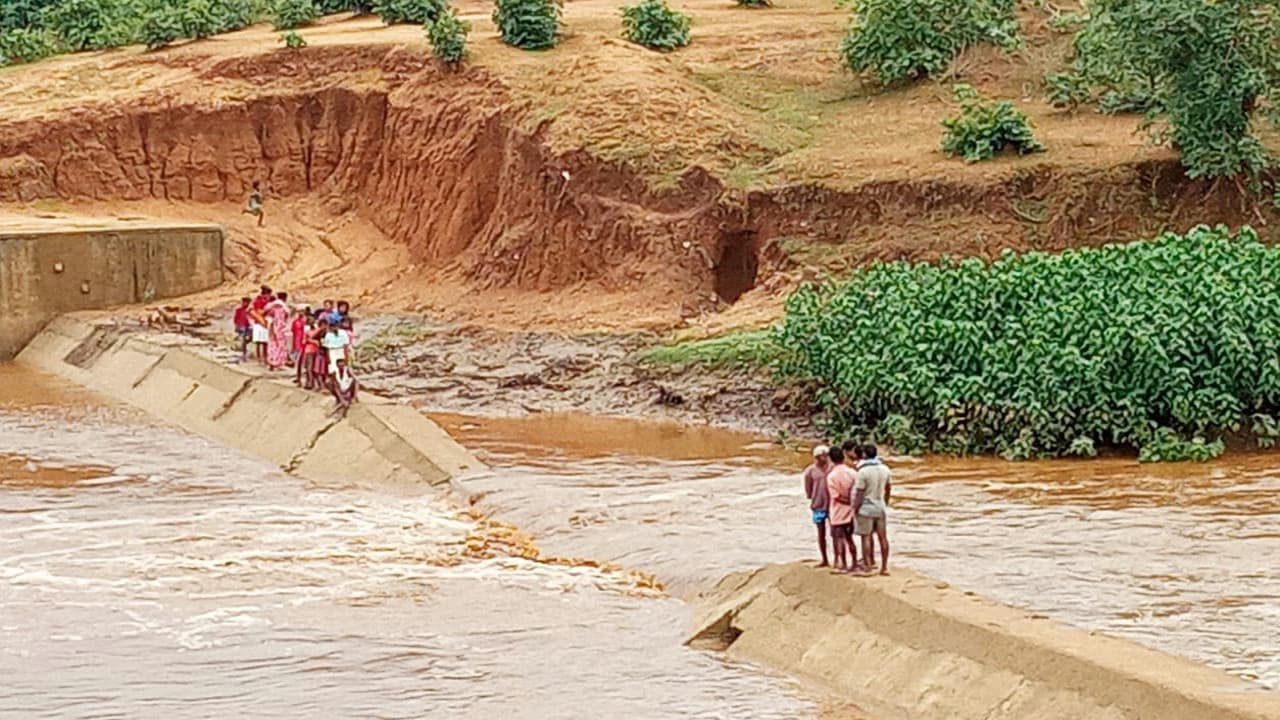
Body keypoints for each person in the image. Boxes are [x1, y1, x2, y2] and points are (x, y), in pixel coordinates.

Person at [853, 443, 892, 576]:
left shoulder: (862, 472)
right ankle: (884, 567)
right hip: (880, 506)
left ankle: (868, 566)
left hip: (866, 507)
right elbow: (888, 489)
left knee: (866, 537)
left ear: (864, 455)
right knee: (883, 538)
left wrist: (855, 508)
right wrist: (885, 502)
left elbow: (859, 493)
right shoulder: (885, 469)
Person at [825, 446, 858, 572]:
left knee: (839, 539)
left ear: (831, 460)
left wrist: (846, 501)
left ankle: (843, 564)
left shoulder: (831, 477)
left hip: (837, 512)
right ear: (843, 457)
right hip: (851, 511)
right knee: (850, 539)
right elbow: (857, 491)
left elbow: (836, 496)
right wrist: (852, 503)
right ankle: (854, 563)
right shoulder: (853, 473)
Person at [803, 445, 832, 567]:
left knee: (837, 533)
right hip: (818, 505)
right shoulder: (810, 471)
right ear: (817, 457)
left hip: (833, 505)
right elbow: (808, 490)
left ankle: (839, 558)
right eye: (822, 455)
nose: (825, 458)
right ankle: (824, 559)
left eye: (826, 455)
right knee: (821, 533)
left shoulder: (833, 468)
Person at [264, 291, 291, 370]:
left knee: (272, 344)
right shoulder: (284, 307)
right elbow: (287, 315)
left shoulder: (270, 305)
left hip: (272, 326)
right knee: (280, 345)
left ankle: (271, 361)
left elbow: (265, 313)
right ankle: (278, 362)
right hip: (280, 327)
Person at [249, 285, 272, 364]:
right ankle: (260, 358)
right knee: (259, 342)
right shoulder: (258, 300)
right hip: (259, 322)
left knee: (265, 342)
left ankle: (265, 358)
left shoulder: (268, 301)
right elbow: (258, 312)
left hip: (265, 322)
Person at [290, 306, 309, 376]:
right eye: (299, 311)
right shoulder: (295, 322)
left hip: (305, 342)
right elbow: (293, 333)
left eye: (302, 311)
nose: (301, 313)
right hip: (297, 342)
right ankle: (298, 375)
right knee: (298, 359)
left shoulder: (307, 321)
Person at [232, 296, 251, 362]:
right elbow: (235, 318)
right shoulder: (239, 309)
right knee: (243, 339)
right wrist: (236, 325)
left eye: (248, 302)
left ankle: (244, 350)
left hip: (248, 325)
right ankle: (244, 353)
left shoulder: (249, 309)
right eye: (245, 302)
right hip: (241, 325)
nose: (246, 304)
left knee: (249, 338)